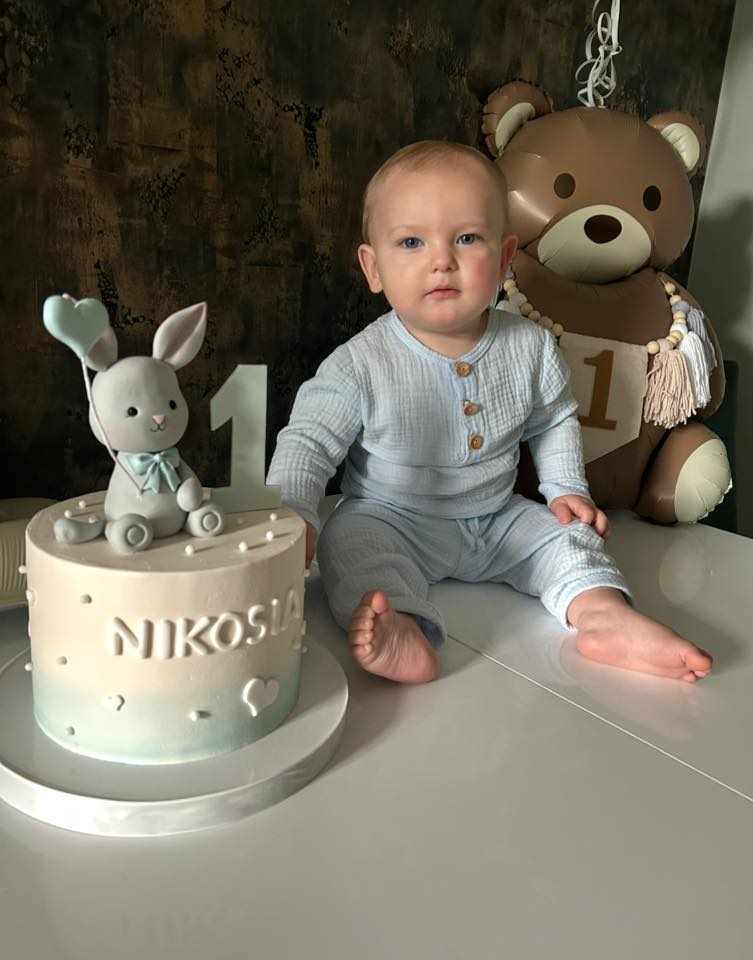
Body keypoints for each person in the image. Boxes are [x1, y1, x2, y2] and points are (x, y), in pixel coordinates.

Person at [268, 140, 712, 685]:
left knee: (567, 539)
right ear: (373, 267)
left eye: (466, 238)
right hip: (391, 517)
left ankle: (604, 615)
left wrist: (565, 489)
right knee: (349, 544)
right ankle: (400, 622)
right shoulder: (360, 363)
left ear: (503, 260)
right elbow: (309, 442)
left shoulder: (530, 345)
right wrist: (293, 513)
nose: (441, 260)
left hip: (498, 516)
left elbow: (553, 418)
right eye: (411, 242)